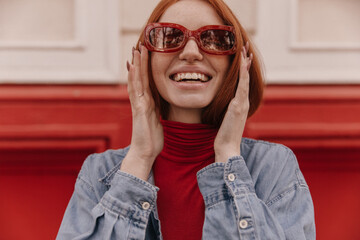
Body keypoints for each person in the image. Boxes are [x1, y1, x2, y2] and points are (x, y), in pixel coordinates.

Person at [57, 0, 316, 239]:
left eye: (214, 39)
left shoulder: (274, 169)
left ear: (235, 63)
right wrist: (139, 160)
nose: (191, 52)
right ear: (145, 59)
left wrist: (228, 159)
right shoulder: (99, 174)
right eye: (169, 37)